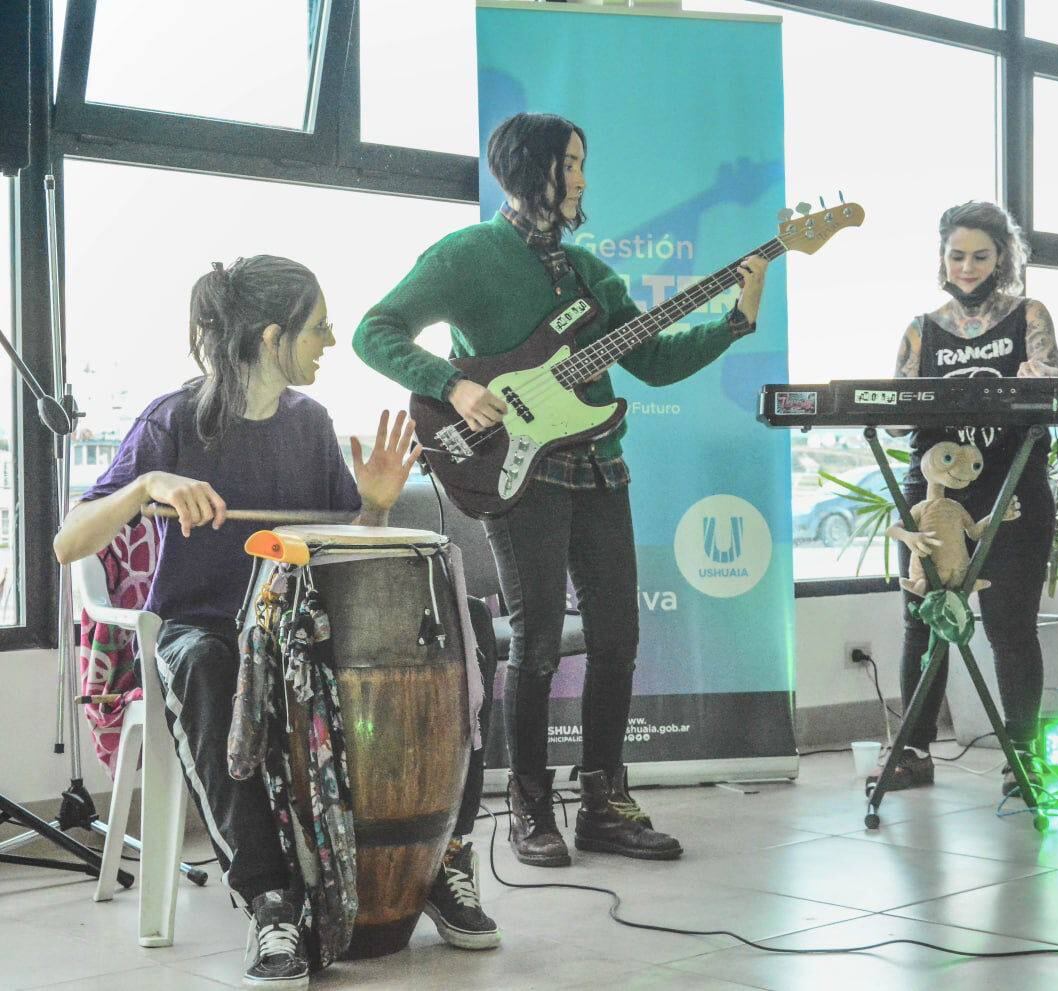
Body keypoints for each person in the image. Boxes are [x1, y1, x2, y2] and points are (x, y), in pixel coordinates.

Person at [51, 255, 480, 988]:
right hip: (204, 628)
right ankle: (270, 898)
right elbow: (69, 542)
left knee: (459, 629)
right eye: (319, 327)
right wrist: (149, 484)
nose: (332, 341)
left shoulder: (310, 425)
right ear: (272, 336)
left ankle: (436, 860)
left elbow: (346, 549)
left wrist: (374, 504)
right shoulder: (173, 421)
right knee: (210, 665)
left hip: (299, 630)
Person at [353, 112, 768, 867]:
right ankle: (530, 807)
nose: (581, 178)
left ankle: (605, 803)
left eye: (582, 164)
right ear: (532, 168)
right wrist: (454, 383)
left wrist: (736, 318)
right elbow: (375, 332)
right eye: (571, 163)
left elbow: (654, 363)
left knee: (617, 640)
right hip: (518, 471)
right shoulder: (466, 256)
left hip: (600, 464)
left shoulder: (590, 273)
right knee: (537, 642)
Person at [872, 200, 1058, 797]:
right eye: (957, 256)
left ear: (1002, 257)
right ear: (942, 258)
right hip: (934, 496)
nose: (968, 266)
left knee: (1011, 626)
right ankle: (913, 752)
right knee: (921, 623)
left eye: (981, 256)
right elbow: (897, 421)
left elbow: (1052, 388)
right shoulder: (919, 328)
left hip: (1012, 491)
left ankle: (1022, 755)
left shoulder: (1030, 314)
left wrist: (1036, 382)